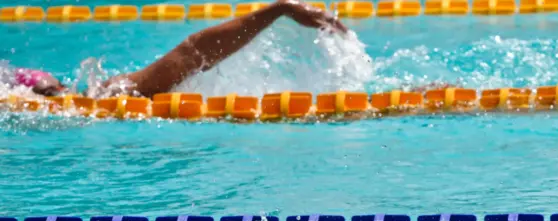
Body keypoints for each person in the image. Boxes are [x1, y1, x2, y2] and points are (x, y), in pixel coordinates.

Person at [3, 0, 347, 98]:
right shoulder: (106, 97)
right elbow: (191, 54)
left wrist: (277, 10)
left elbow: (190, 55)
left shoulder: (104, 95)